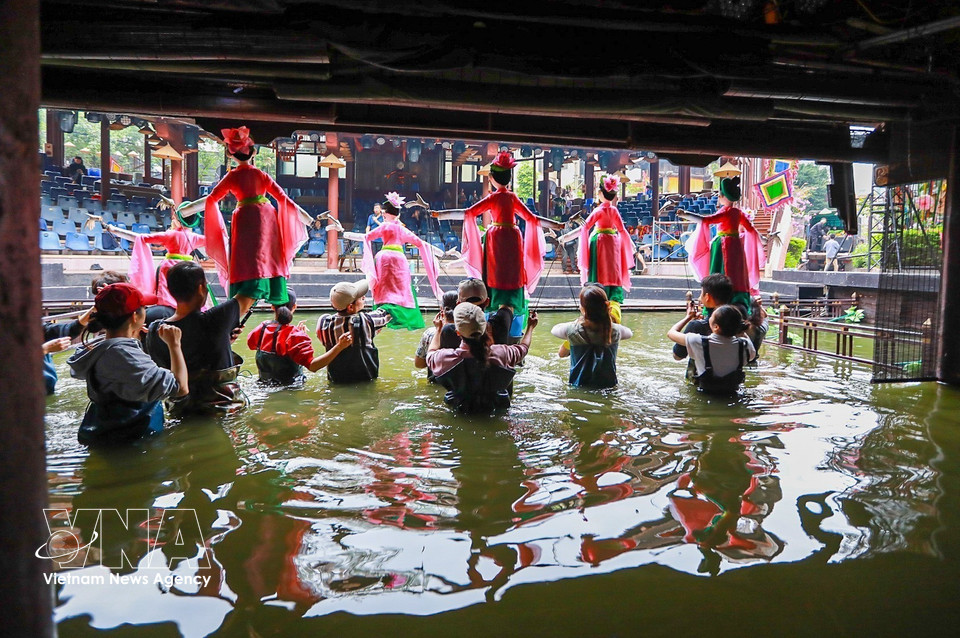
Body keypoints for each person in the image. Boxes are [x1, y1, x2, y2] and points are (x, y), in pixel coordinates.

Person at [68, 283, 188, 445]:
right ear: (134, 316)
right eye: (144, 307)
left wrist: (134, 337)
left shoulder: (98, 349)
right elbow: (180, 388)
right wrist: (174, 345)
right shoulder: (123, 354)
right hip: (134, 444)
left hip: (103, 434)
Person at [203, 126, 308, 307]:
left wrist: (200, 210)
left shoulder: (232, 176)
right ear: (253, 152)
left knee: (246, 254)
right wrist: (303, 216)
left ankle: (248, 286)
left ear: (231, 154)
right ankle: (270, 285)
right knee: (268, 251)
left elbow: (212, 197)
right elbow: (282, 197)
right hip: (266, 215)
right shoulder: (261, 174)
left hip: (244, 215)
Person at [459, 150, 555, 336]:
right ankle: (511, 316)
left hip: (495, 237)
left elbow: (470, 212)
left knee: (495, 271)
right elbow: (531, 217)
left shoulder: (493, 197)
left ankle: (493, 311)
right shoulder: (512, 197)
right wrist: (554, 224)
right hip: (513, 236)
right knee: (513, 271)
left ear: (493, 178)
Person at [145, 261, 253, 415]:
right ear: (201, 288)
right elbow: (253, 290)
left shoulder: (154, 330)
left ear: (170, 290)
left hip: (179, 412)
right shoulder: (216, 319)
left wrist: (223, 344)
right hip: (224, 413)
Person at [341, 192, 442, 330]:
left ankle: (382, 311)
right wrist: (431, 249)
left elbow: (367, 237)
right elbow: (419, 242)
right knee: (401, 287)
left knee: (384, 287)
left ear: (385, 213)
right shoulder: (402, 229)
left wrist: (348, 234)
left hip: (384, 257)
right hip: (399, 258)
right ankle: (400, 313)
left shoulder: (384, 226)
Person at [426, 303, 539, 413]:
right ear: (485, 327)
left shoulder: (446, 358)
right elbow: (524, 348)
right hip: (495, 412)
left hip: (461, 412)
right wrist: (530, 327)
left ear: (458, 333)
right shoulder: (502, 353)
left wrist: (439, 330)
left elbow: (430, 353)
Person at [681, 176, 765, 311]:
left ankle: (717, 301)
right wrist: (763, 239)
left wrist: (685, 214)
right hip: (736, 246)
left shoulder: (725, 212)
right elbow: (751, 229)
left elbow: (706, 220)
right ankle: (738, 302)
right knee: (737, 274)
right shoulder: (738, 213)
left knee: (720, 271)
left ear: (723, 196)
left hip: (723, 246)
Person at [107, 206, 207, 310]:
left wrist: (115, 230)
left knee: (165, 294)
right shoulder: (195, 237)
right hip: (189, 267)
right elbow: (212, 240)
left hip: (169, 267)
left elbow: (141, 237)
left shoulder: (169, 235)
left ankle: (167, 308)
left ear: (178, 220)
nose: (172, 219)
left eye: (174, 218)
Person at [247, 289, 353, 384]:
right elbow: (313, 366)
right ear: (294, 306)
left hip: (264, 385)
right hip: (290, 389)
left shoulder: (262, 328)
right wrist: (339, 346)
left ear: (272, 307)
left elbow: (252, 345)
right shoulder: (295, 336)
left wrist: (297, 339)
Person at [564, 175, 634, 316]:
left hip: (600, 242)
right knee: (613, 269)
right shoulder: (614, 210)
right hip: (613, 241)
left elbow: (585, 227)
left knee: (599, 269)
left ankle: (597, 293)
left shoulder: (598, 211)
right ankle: (612, 295)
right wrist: (629, 246)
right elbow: (621, 230)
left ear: (602, 194)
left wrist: (567, 235)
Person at [551, 286, 633, 389]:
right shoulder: (615, 331)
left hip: (579, 387)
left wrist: (577, 322)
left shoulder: (572, 330)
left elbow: (554, 330)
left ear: (582, 308)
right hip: (608, 388)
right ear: (606, 306)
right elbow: (629, 333)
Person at [667, 304, 757, 394]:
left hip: (705, 396)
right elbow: (751, 356)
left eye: (711, 316)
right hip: (733, 394)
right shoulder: (745, 345)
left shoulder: (698, 342)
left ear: (716, 327)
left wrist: (688, 317)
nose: (708, 317)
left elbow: (671, 333)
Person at [316, 279, 391, 383]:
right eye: (360, 297)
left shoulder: (323, 322)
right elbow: (388, 311)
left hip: (337, 380)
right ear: (350, 307)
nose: (364, 297)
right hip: (365, 380)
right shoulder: (367, 321)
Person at [672, 273, 734, 363]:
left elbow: (677, 356)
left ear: (707, 297)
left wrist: (688, 318)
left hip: (703, 375)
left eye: (701, 293)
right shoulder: (736, 322)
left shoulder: (697, 326)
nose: (699, 298)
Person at [414, 290, 460, 380]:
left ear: (441, 309)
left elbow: (419, 364)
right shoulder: (469, 332)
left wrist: (439, 330)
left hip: (436, 383)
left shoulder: (430, 334)